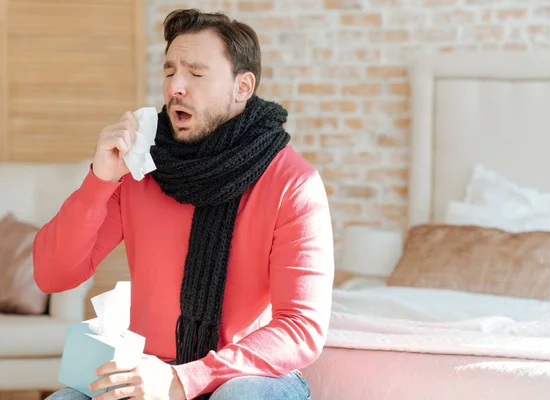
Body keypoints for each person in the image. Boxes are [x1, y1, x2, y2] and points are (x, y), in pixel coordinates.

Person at [34, 8, 334, 400]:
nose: (175, 86)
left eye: (195, 74)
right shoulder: (141, 168)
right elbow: (54, 276)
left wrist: (183, 381)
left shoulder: (292, 182)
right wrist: (100, 180)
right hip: (151, 371)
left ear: (242, 87)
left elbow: (300, 328)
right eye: (169, 71)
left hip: (244, 374)